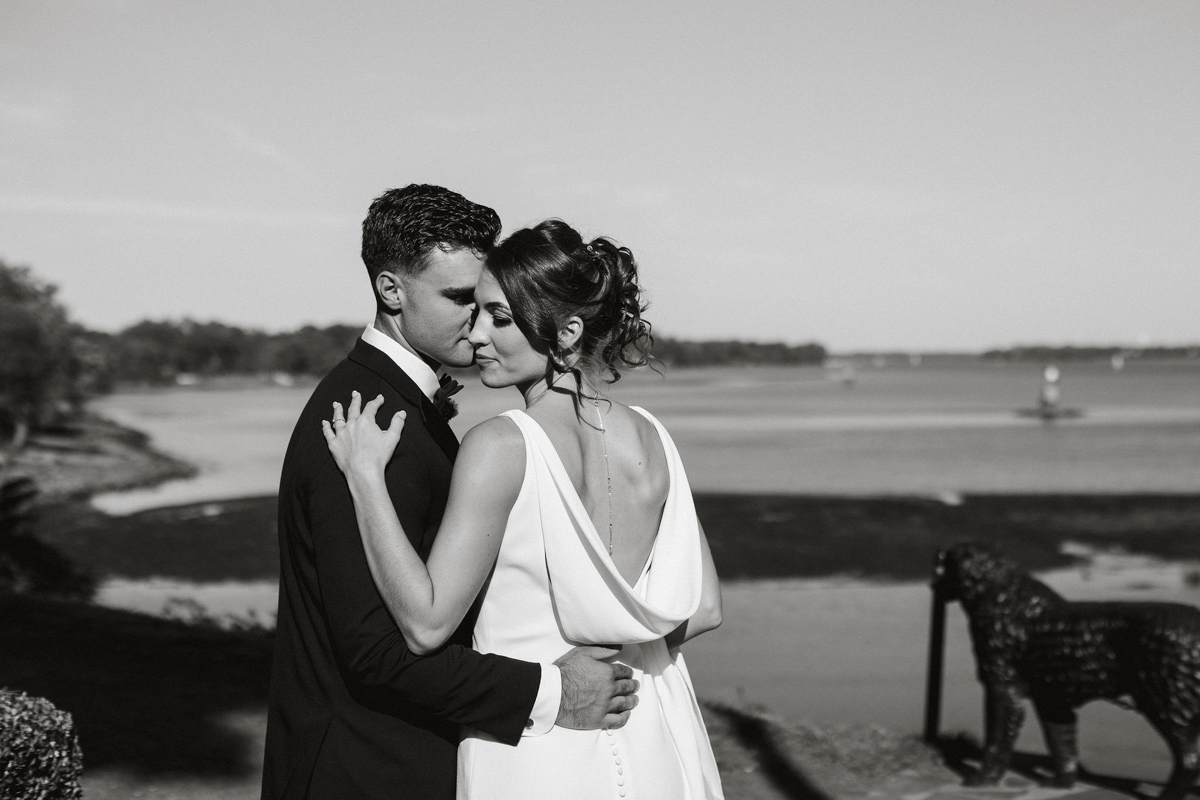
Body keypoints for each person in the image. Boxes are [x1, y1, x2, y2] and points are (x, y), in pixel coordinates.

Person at [323, 219, 725, 799]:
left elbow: (426, 624)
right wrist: (624, 644)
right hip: (653, 729)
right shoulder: (653, 438)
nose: (476, 334)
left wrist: (365, 480)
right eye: (478, 311)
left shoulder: (502, 444)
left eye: (501, 319)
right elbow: (705, 607)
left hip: (539, 746)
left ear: (566, 333)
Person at [262, 188, 638, 800]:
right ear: (391, 292)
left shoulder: (405, 408)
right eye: (459, 298)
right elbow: (376, 653)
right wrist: (552, 692)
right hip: (364, 772)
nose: (481, 319)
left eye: (492, 301)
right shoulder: (361, 423)